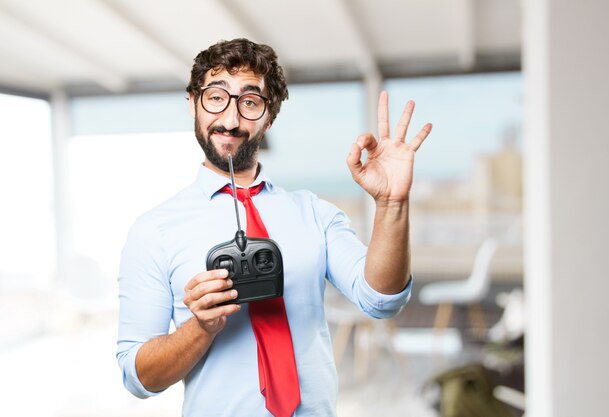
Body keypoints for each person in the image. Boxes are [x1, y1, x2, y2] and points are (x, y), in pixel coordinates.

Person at [116, 38, 432, 417]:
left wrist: (392, 204)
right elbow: (138, 377)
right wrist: (200, 327)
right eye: (216, 97)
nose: (231, 121)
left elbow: (382, 299)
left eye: (250, 103)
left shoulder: (314, 214)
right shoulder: (154, 231)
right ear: (193, 104)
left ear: (269, 117)